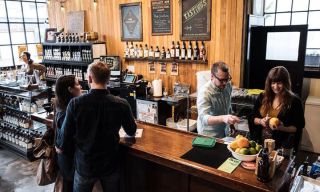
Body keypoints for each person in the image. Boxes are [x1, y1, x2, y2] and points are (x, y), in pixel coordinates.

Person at [56, 61, 137, 192]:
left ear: (89, 78)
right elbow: (131, 131)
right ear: (108, 79)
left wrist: (59, 147)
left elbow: (64, 139)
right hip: (110, 164)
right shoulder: (122, 103)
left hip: (85, 165)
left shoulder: (75, 104)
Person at [249, 66, 305, 152]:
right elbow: (252, 118)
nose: (275, 86)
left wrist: (281, 128)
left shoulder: (294, 101)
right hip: (259, 144)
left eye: (279, 83)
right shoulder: (262, 96)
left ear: (286, 83)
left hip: (281, 146)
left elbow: (298, 127)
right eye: (273, 83)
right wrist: (261, 121)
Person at [197, 61, 240, 138]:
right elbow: (203, 118)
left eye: (227, 79)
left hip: (223, 131)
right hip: (208, 134)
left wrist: (231, 125)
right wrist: (223, 118)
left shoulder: (228, 86)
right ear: (212, 76)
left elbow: (228, 107)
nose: (224, 83)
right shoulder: (205, 92)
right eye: (221, 80)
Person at [54, 75, 82, 192]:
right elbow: (65, 140)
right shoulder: (66, 112)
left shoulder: (61, 105)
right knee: (69, 186)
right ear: (70, 89)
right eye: (77, 84)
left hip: (66, 158)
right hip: (69, 159)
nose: (80, 87)